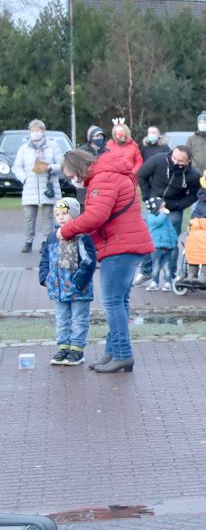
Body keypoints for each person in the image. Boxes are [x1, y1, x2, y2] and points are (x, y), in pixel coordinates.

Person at [58, 149, 154, 374]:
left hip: (120, 246)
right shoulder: (111, 174)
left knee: (112, 301)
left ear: (79, 168)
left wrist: (67, 230)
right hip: (127, 244)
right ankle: (112, 352)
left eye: (72, 175)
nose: (73, 181)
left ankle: (122, 355)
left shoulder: (103, 178)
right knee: (120, 301)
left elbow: (95, 216)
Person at [39, 197, 96, 367]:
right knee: (62, 318)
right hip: (58, 288)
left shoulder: (82, 237)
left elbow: (89, 261)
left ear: (74, 215)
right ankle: (63, 347)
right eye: (58, 214)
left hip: (79, 288)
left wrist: (78, 282)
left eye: (65, 213)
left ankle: (76, 349)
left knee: (79, 319)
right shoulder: (52, 237)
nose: (61, 217)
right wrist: (45, 278)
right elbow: (45, 258)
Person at [134, 146, 201, 285]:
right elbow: (141, 175)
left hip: (173, 208)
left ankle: (170, 275)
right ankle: (146, 271)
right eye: (174, 158)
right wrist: (147, 196)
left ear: (188, 161)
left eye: (180, 161)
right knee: (148, 239)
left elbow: (194, 195)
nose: (175, 162)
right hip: (154, 204)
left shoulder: (193, 175)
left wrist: (178, 205)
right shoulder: (158, 160)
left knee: (170, 242)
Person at [14, 119, 64, 253]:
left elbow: (62, 165)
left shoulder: (53, 146)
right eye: (33, 131)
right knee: (29, 216)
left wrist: (50, 168)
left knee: (47, 216)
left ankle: (46, 241)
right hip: (30, 187)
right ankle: (28, 241)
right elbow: (17, 167)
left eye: (38, 130)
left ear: (43, 131)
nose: (36, 133)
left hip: (48, 187)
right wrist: (24, 178)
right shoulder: (24, 148)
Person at [142, 197, 178, 292]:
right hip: (156, 246)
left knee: (167, 265)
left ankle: (167, 282)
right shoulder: (151, 217)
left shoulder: (165, 218)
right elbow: (157, 222)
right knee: (156, 265)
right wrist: (164, 214)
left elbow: (172, 231)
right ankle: (154, 282)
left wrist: (173, 242)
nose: (164, 209)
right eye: (161, 207)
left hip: (167, 246)